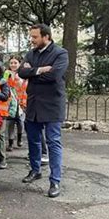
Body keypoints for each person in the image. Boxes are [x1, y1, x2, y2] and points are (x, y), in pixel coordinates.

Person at [18, 24, 68, 198]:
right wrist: (39, 70)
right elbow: (21, 72)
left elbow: (54, 76)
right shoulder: (31, 53)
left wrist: (33, 73)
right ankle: (35, 170)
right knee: (33, 140)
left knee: (53, 142)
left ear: (46, 37)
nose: (32, 40)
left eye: (35, 37)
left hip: (53, 104)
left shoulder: (60, 53)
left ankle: (55, 181)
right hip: (33, 103)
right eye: (31, 37)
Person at [5, 56, 27, 151]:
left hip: (21, 102)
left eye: (15, 63)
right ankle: (10, 143)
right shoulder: (7, 73)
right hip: (11, 102)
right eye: (11, 63)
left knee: (20, 122)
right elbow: (3, 83)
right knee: (10, 123)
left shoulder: (23, 74)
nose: (13, 65)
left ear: (19, 63)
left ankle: (19, 138)